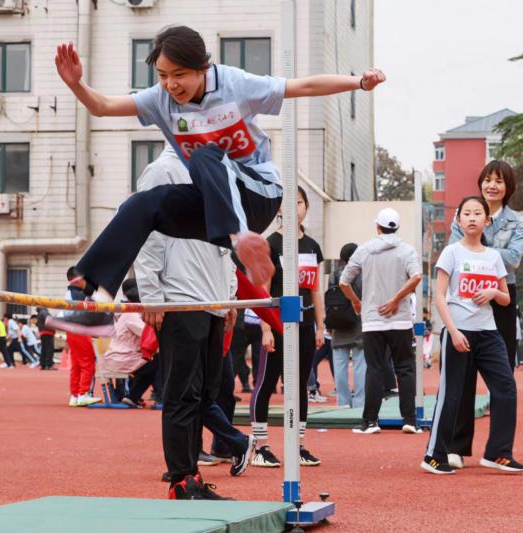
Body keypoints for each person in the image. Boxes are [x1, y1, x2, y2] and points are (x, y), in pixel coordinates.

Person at [54, 25, 385, 306]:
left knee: (204, 154)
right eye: (163, 76)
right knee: (141, 204)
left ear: (202, 68)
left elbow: (303, 86)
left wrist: (358, 83)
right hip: (215, 205)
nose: (171, 85)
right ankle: (88, 289)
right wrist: (75, 84)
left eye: (180, 75)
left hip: (258, 195)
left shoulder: (233, 83)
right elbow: (103, 106)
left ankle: (241, 238)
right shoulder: (160, 98)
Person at [134, 147, 253, 500]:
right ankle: (181, 480)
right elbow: (146, 232)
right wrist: (151, 293)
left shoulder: (220, 171)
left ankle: (193, 478)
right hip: (181, 296)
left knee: (205, 393)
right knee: (182, 394)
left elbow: (226, 240)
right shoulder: (163, 170)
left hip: (214, 298)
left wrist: (229, 295)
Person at [422, 196, 523, 474]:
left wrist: (493, 293)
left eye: (478, 213)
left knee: (506, 388)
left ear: (487, 221)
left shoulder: (493, 257)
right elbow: (440, 297)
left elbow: (505, 299)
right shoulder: (452, 253)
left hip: (488, 333)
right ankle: (434, 454)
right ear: (458, 220)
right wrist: (452, 331)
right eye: (466, 213)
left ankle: (498, 453)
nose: (472, 217)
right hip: (459, 331)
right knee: (451, 395)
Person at [447, 160, 523, 468]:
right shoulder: (465, 213)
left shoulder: (518, 221)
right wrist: (486, 256)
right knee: (462, 375)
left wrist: (478, 251)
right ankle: (455, 446)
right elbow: (456, 256)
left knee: (504, 376)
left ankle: (499, 450)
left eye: (499, 181)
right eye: (487, 180)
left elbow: (514, 260)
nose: (492, 185)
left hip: (502, 296)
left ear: (508, 187)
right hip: (466, 296)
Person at [251, 186, 324, 468]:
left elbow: (316, 290)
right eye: (288, 203)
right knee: (267, 382)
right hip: (278, 324)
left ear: (306, 207)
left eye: (300, 203)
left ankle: (299, 445)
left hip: (305, 325)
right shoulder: (270, 244)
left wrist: (321, 326)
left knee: (300, 386)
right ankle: (260, 445)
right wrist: (266, 328)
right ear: (279, 209)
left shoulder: (312, 246)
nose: (295, 208)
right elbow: (263, 290)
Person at [340, 207, 423, 435]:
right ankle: (410, 420)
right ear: (397, 227)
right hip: (401, 320)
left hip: (373, 320)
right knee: (405, 369)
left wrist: (357, 302)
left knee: (374, 369)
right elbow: (417, 276)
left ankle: (370, 422)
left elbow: (344, 282)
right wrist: (397, 299)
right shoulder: (407, 251)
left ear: (378, 227)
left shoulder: (365, 250)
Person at [329, 242, 366, 409]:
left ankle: (343, 402)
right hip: (358, 322)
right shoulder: (361, 274)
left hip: (338, 322)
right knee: (360, 365)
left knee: (340, 365)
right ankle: (359, 403)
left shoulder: (333, 275)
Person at [62, 268, 101, 407]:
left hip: (71, 329)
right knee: (87, 363)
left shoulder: (70, 292)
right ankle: (83, 393)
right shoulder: (78, 292)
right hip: (80, 329)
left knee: (77, 364)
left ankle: (75, 395)